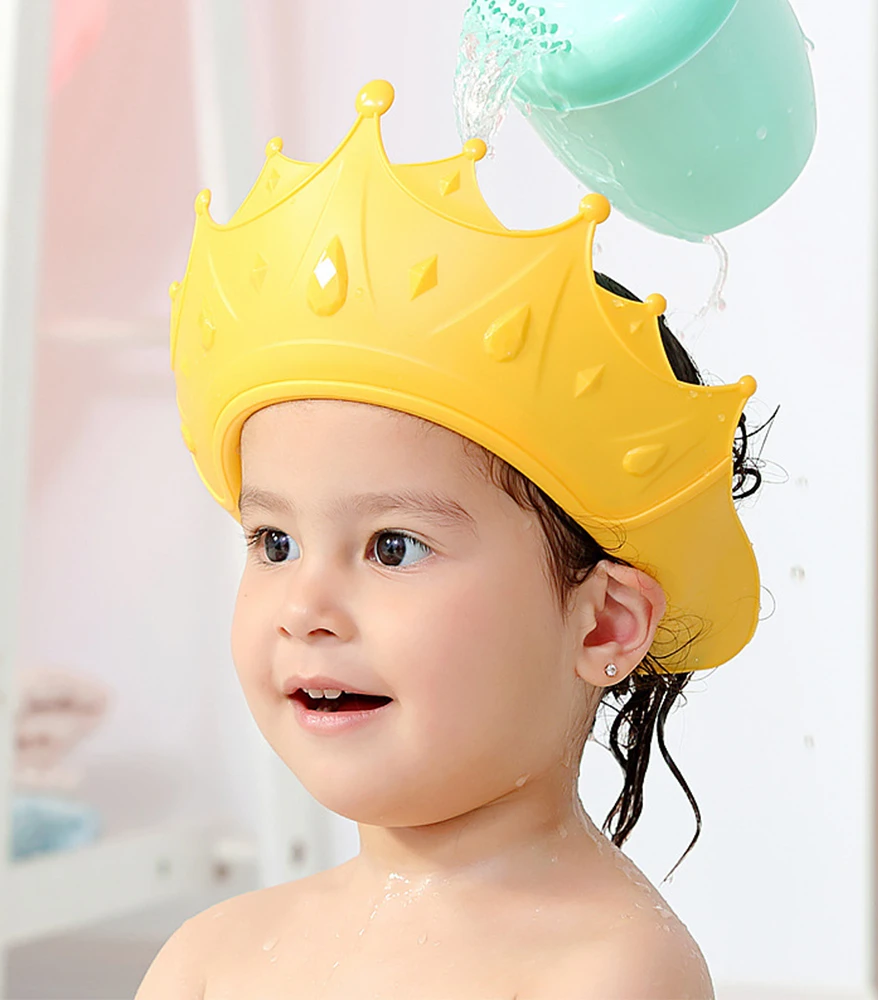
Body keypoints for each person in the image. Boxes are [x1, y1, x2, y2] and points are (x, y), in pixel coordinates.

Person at [136, 79, 773, 1000]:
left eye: (392, 547)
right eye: (274, 543)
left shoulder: (606, 973)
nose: (304, 608)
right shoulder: (209, 959)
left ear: (603, 624)